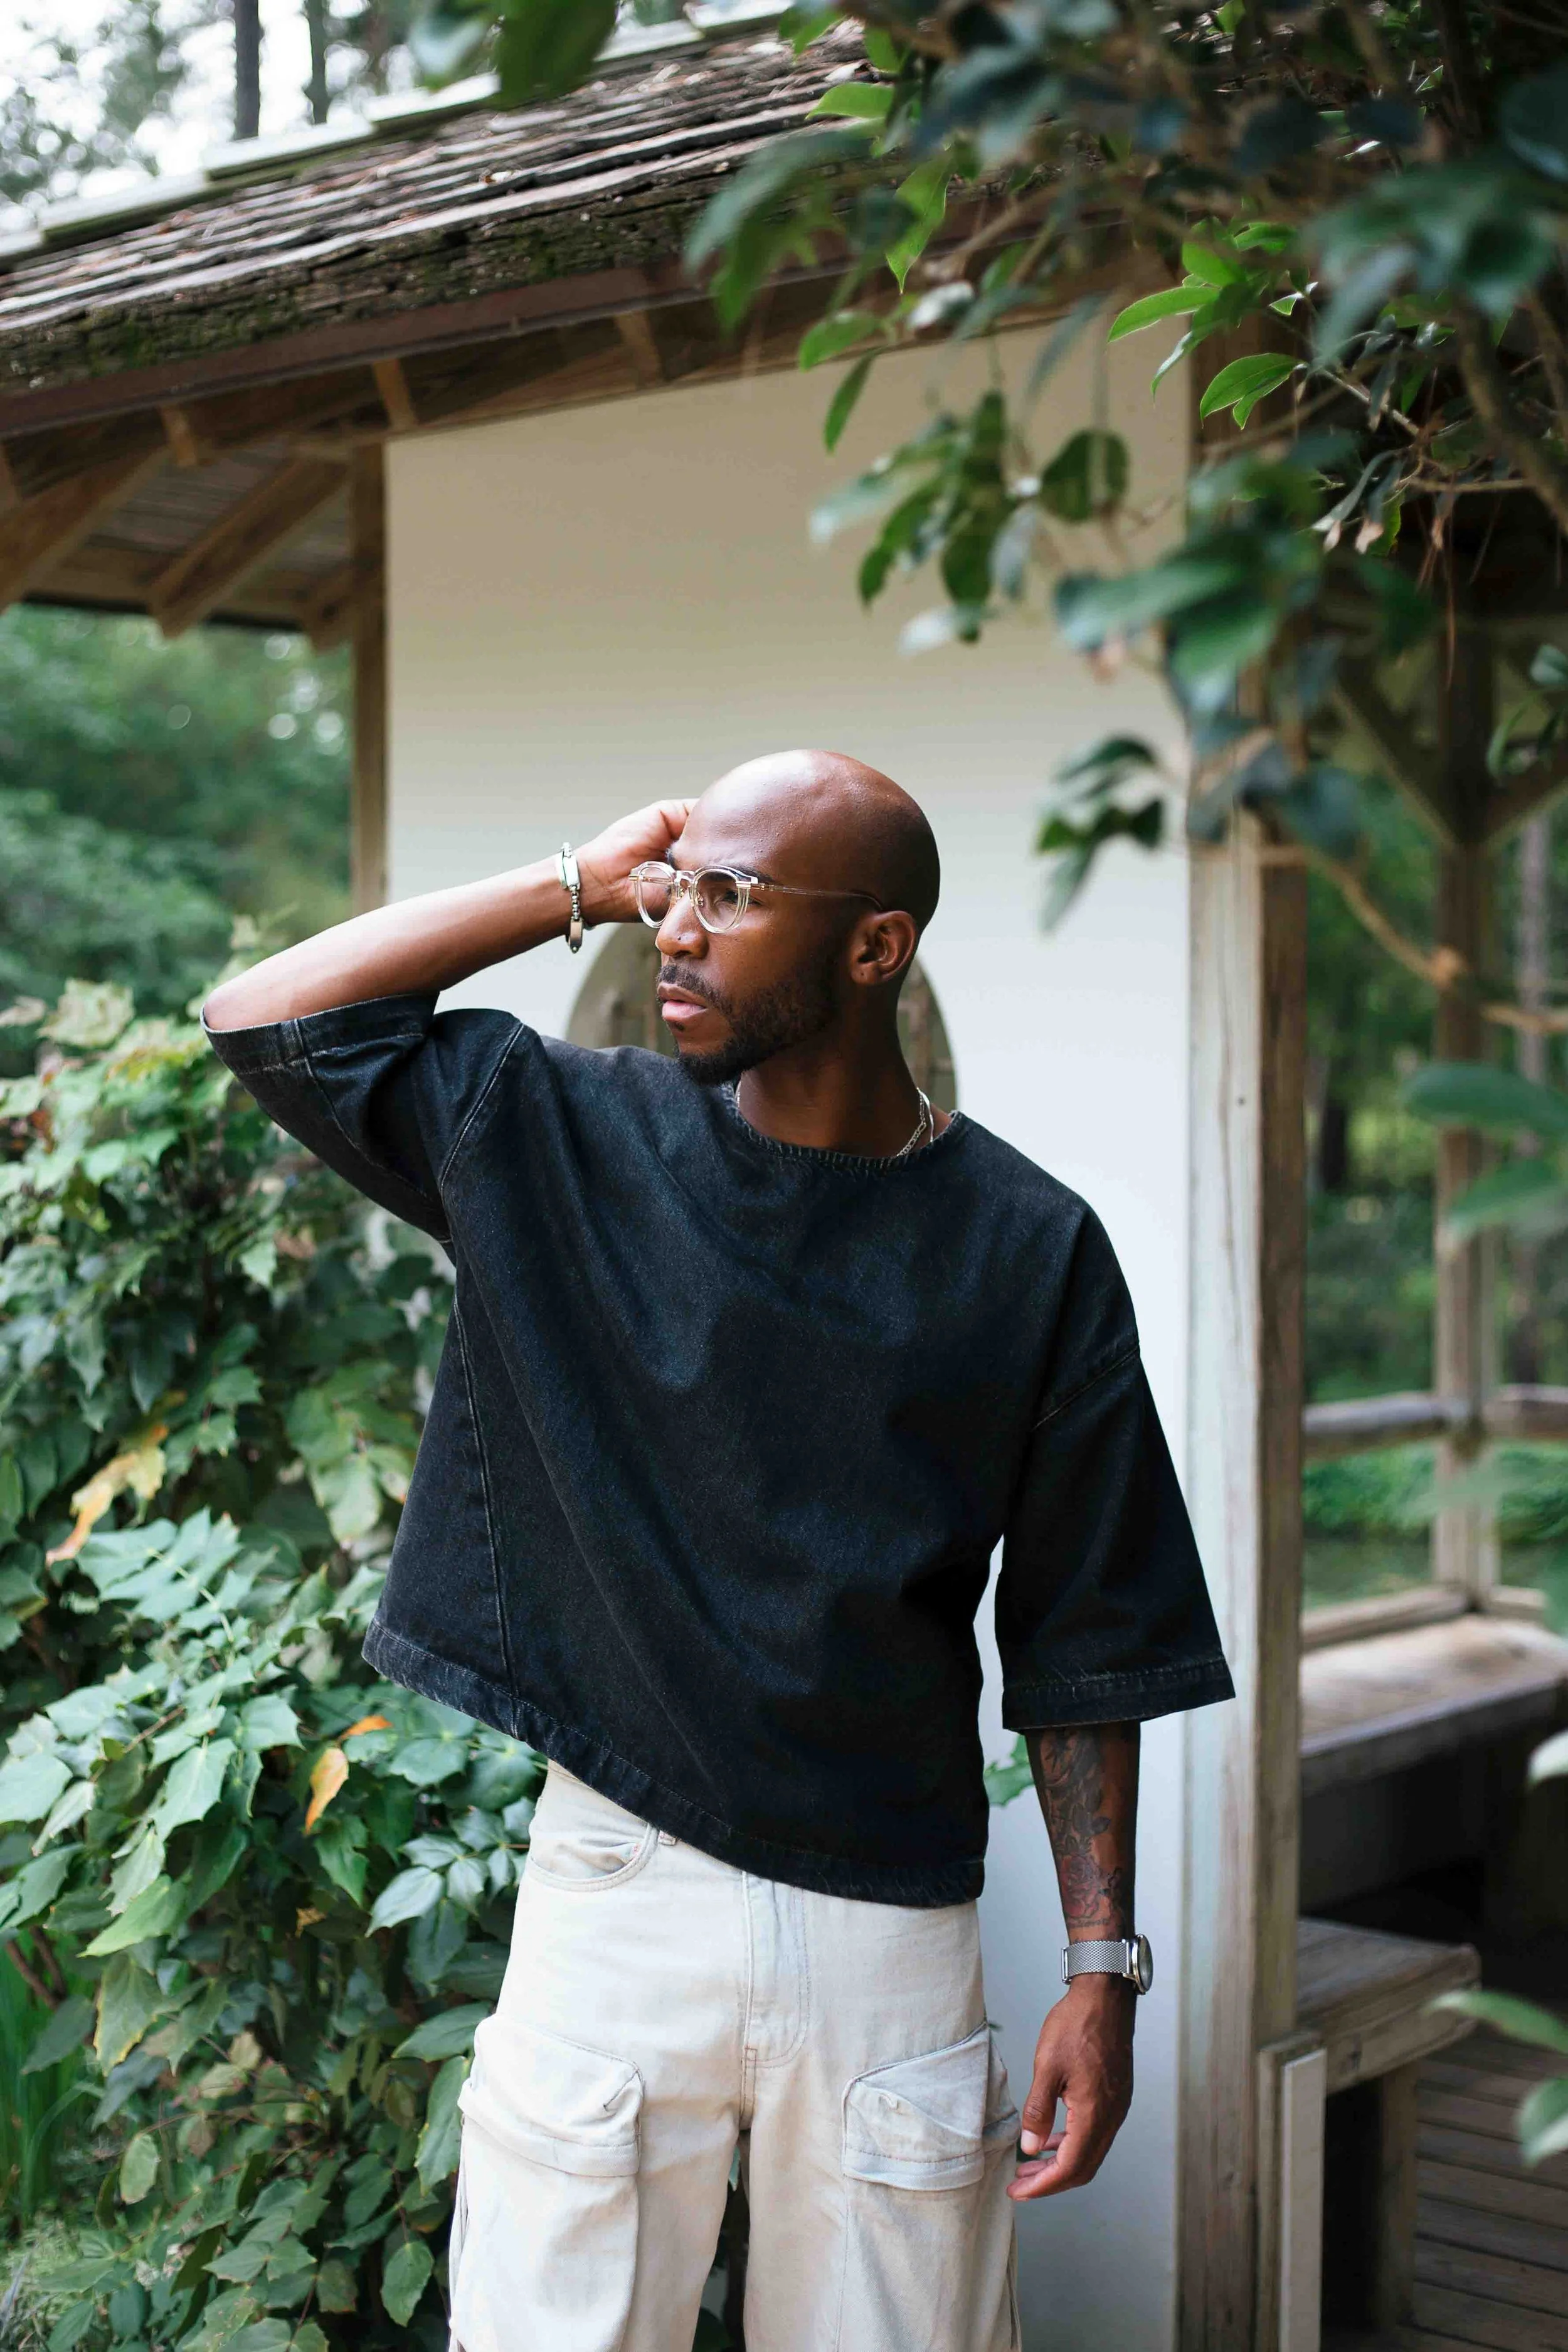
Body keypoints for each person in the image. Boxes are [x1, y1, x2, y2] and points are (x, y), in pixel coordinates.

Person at [204, 748, 1232, 2352]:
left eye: (731, 898)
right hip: (615, 1878)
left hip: (888, 1922)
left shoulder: (1028, 1246)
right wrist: (577, 884)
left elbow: (1087, 1631)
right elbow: (268, 1016)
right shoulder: (553, 1132)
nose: (676, 929)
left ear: (875, 948)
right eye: (676, 890)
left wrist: (1099, 1967)